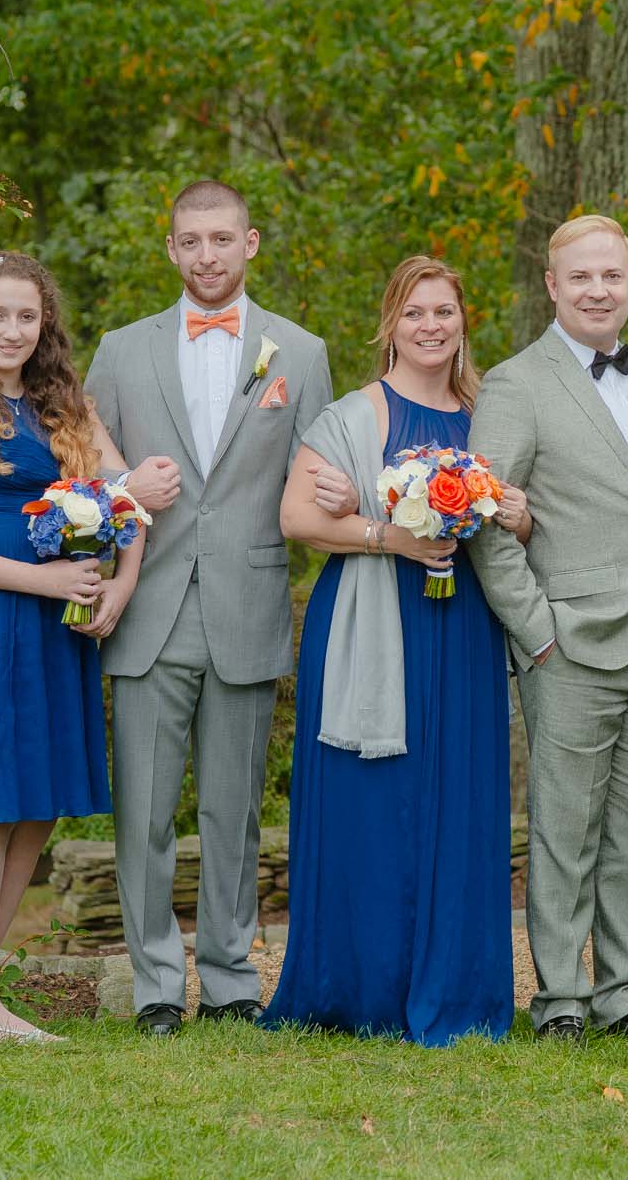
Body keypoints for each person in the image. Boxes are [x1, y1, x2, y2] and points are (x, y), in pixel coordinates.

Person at [83, 180, 338, 1036]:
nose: (206, 256)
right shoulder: (120, 352)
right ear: (169, 250)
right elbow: (85, 476)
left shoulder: (299, 353)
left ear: (251, 242)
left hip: (247, 602)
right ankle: (157, 980)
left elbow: (311, 480)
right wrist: (123, 486)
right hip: (146, 605)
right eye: (189, 241)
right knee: (145, 810)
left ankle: (231, 976)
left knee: (234, 811)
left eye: (221, 239)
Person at [260, 256, 528, 1045]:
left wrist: (518, 512)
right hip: (373, 628)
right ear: (391, 322)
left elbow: (519, 513)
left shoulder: (488, 413)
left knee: (458, 798)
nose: (431, 326)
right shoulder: (355, 415)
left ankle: (459, 986)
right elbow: (297, 519)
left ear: (463, 321)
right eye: (415, 313)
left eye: (445, 311)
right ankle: (363, 988)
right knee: (374, 802)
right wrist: (393, 539)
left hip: (463, 628)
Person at [465, 215, 628, 1044]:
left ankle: (624, 989)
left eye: (613, 276)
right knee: (563, 829)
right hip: (570, 645)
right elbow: (488, 516)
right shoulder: (518, 384)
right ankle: (560, 993)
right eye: (582, 277)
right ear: (552, 286)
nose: (599, 290)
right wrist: (537, 631)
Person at [0, 250, 150, 1042]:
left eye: (26, 315)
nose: (12, 330)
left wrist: (118, 585)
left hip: (57, 636)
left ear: (44, 321)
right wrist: (45, 581)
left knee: (37, 808)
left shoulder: (61, 404)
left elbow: (127, 499)